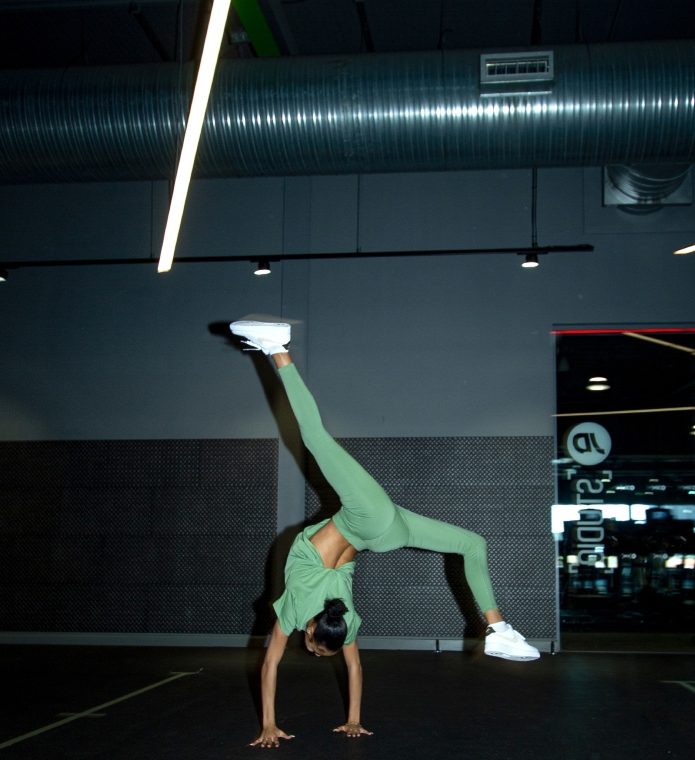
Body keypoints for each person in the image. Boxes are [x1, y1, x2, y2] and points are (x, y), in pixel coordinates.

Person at [230, 320, 540, 749]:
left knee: (473, 544)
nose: (314, 653)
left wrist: (347, 720)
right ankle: (277, 348)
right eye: (318, 650)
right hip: (369, 522)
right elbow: (278, 665)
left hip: (383, 535)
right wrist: (286, 722)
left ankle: (500, 629)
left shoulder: (340, 618)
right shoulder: (305, 616)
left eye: (318, 651)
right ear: (312, 630)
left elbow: (345, 667)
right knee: (315, 438)